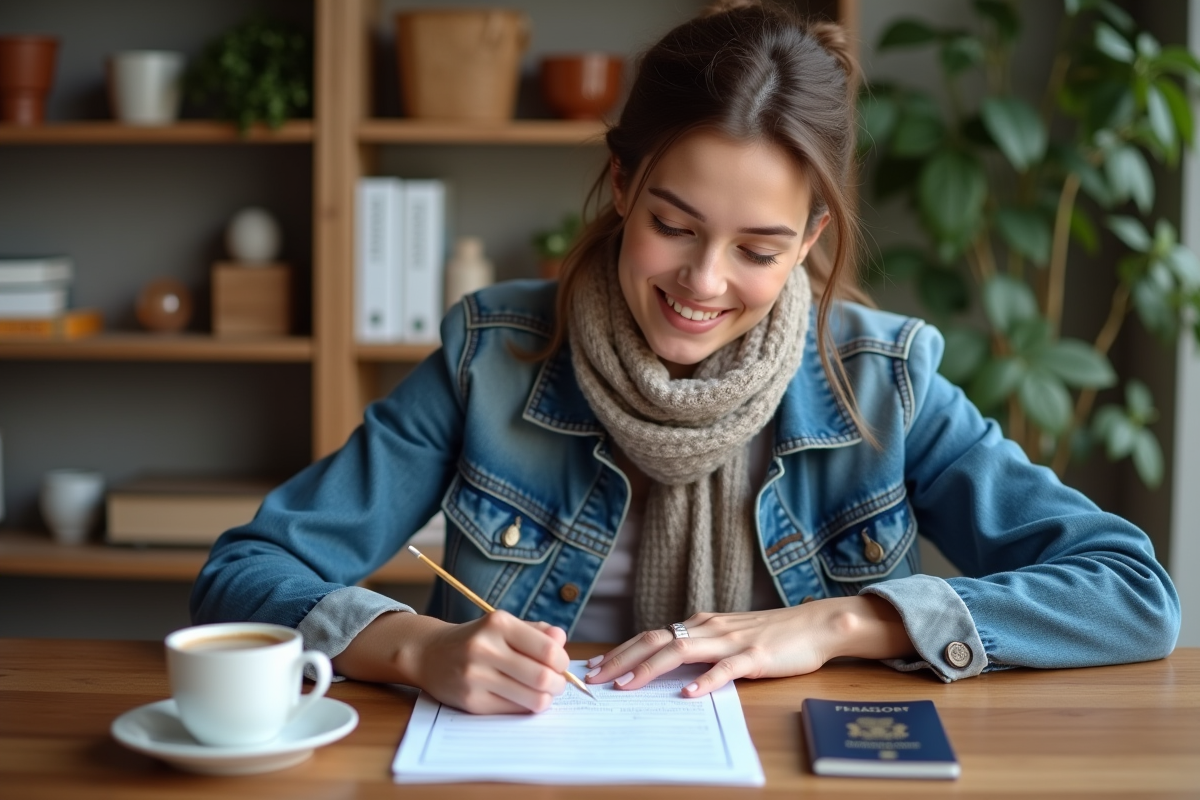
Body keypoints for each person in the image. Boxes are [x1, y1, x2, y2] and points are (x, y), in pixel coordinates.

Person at [191, 1, 1180, 715]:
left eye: (759, 249)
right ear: (623, 183)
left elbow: (1131, 593)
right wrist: (414, 647)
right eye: (673, 225)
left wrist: (841, 623)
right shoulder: (491, 355)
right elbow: (244, 570)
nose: (704, 282)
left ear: (811, 238)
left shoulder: (886, 382)